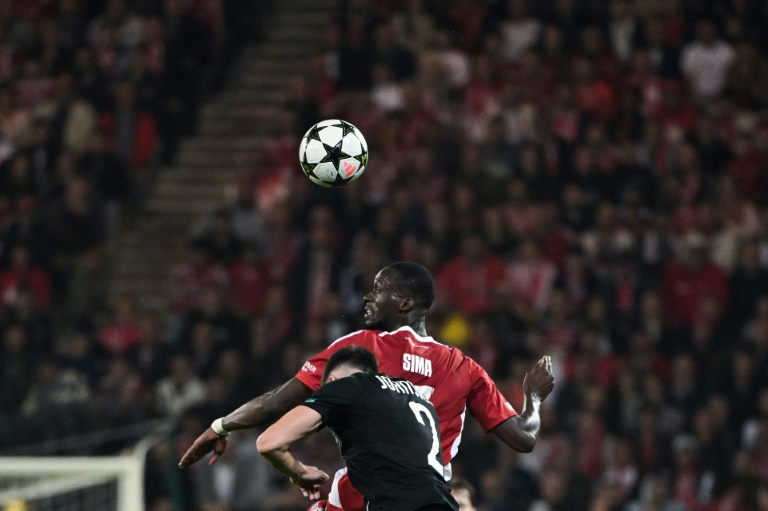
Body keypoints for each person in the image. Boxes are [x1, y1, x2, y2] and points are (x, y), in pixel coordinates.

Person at [179, 262, 555, 511]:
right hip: (430, 497)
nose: (368, 297)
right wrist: (534, 397)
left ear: (405, 303)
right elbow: (524, 437)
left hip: (362, 495)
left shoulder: (359, 349)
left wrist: (221, 426)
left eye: (379, 290)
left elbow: (276, 404)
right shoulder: (463, 367)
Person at [256, 346, 459, 511]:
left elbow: (269, 443)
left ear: (332, 382)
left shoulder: (346, 387)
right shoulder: (420, 400)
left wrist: (298, 472)